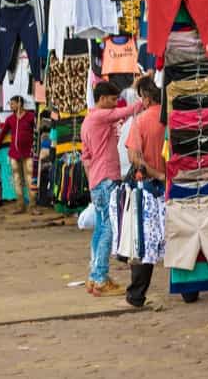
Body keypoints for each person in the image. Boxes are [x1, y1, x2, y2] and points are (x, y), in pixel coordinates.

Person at [81, 81, 142, 297]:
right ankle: (99, 279)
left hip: (97, 180)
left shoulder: (88, 120)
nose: (116, 103)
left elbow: (85, 157)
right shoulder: (100, 115)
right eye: (113, 99)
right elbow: (128, 110)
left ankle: (95, 275)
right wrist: (144, 99)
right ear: (103, 98)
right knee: (108, 228)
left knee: (100, 228)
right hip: (107, 178)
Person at [123, 75, 166, 307]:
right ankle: (190, 290)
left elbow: (134, 158)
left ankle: (136, 294)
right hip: (174, 184)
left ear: (147, 98)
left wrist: (151, 171)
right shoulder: (171, 117)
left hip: (148, 187)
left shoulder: (139, 122)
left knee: (144, 242)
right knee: (178, 237)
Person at [0, 96, 37, 214]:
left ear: (20, 104)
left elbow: (36, 132)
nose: (11, 106)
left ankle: (32, 206)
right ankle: (20, 205)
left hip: (28, 153)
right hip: (14, 154)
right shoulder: (10, 119)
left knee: (30, 180)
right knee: (17, 180)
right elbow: (1, 137)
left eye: (13, 103)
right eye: (10, 104)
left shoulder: (31, 117)